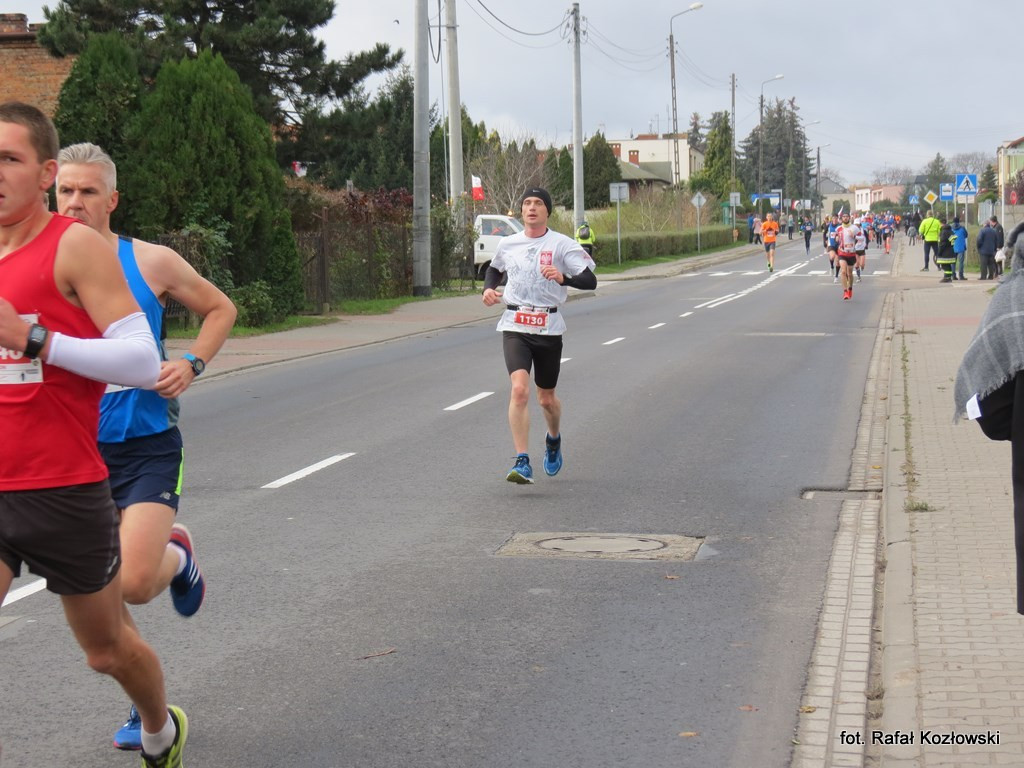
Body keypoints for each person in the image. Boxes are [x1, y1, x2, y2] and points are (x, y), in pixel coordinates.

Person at [0, 102, 187, 766]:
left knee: (105, 651)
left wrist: (32, 337)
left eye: (9, 159)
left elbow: (138, 361)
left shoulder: (73, 246)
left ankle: (160, 726)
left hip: (63, 486)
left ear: (44, 172)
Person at [55, 142, 237, 751]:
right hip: (70, 453)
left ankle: (177, 556)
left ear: (112, 199)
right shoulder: (38, 265)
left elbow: (219, 308)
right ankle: (142, 706)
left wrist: (191, 362)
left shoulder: (149, 261)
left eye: (88, 192)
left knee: (132, 582)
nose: (74, 203)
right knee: (103, 593)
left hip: (145, 446)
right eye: (65, 191)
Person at [481, 187, 596, 484]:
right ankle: (522, 461)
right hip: (515, 323)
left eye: (538, 203)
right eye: (527, 203)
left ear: (547, 211)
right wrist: (488, 289)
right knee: (519, 390)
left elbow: (590, 279)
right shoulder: (509, 243)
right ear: (521, 211)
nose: (532, 208)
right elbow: (494, 270)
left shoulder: (562, 244)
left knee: (546, 399)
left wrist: (564, 277)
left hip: (548, 327)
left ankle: (553, 439)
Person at [834, 212, 861, 300]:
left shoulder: (854, 228)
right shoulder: (838, 228)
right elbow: (835, 237)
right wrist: (836, 238)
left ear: (849, 218)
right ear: (841, 218)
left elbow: (862, 238)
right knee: (843, 272)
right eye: (843, 217)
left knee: (849, 273)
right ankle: (845, 292)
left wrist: (854, 236)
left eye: (847, 217)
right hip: (842, 252)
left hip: (851, 253)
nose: (845, 218)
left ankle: (850, 288)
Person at [936, 216, 956, 282]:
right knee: (948, 265)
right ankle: (948, 277)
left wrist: (939, 252)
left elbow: (942, 243)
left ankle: (947, 278)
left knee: (945, 265)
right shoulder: (950, 230)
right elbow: (952, 240)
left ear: (941, 223)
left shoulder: (943, 232)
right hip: (950, 250)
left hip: (945, 252)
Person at [950, 216, 969, 280]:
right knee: (961, 262)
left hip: (952, 247)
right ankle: (961, 275)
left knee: (953, 262)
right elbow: (966, 235)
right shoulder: (962, 228)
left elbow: (949, 237)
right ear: (959, 221)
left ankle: (953, 275)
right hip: (961, 247)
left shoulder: (950, 228)